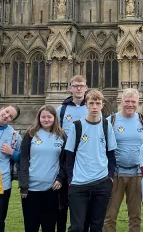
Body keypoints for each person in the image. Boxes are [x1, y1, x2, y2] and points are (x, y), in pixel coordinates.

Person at [64, 89, 117, 232]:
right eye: (91, 103)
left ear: (102, 105)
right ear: (86, 105)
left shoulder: (107, 126)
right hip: (79, 184)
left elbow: (111, 155)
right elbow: (69, 156)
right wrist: (71, 179)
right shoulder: (77, 126)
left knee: (96, 226)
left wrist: (110, 177)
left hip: (101, 183)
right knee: (77, 226)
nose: (94, 106)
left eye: (97, 103)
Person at [104, 89, 143, 232]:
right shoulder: (110, 121)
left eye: (133, 102)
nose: (130, 104)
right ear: (121, 102)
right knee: (110, 216)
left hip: (137, 174)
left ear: (138, 103)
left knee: (135, 216)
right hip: (116, 174)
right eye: (127, 101)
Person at [19, 105, 67, 232]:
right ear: (39, 118)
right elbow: (23, 160)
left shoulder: (61, 135)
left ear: (54, 118)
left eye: (49, 117)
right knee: (31, 226)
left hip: (52, 189)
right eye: (43, 117)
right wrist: (24, 186)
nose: (46, 119)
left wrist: (60, 179)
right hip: (31, 189)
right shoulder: (31, 134)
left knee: (49, 227)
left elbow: (65, 161)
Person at [56, 75, 89, 232]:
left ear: (86, 88)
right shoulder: (61, 110)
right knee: (62, 202)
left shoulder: (91, 107)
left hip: (85, 159)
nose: (78, 88)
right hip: (65, 159)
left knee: (83, 201)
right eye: (75, 86)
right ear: (70, 88)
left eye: (81, 86)